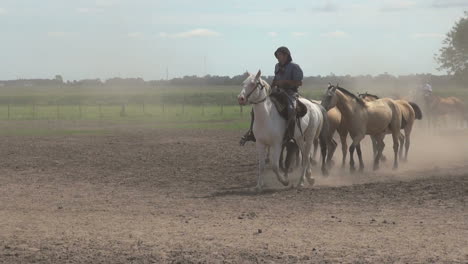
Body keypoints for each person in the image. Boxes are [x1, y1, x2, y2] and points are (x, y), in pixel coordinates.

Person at [239, 46, 303, 146]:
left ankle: (290, 136)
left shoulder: (295, 67)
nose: (277, 57)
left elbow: (299, 83)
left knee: (291, 109)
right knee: (256, 109)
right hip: (277, 92)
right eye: (277, 55)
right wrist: (271, 88)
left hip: (290, 93)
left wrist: (284, 83)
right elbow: (275, 79)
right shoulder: (277, 66)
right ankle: (252, 132)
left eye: (279, 55)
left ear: (286, 55)